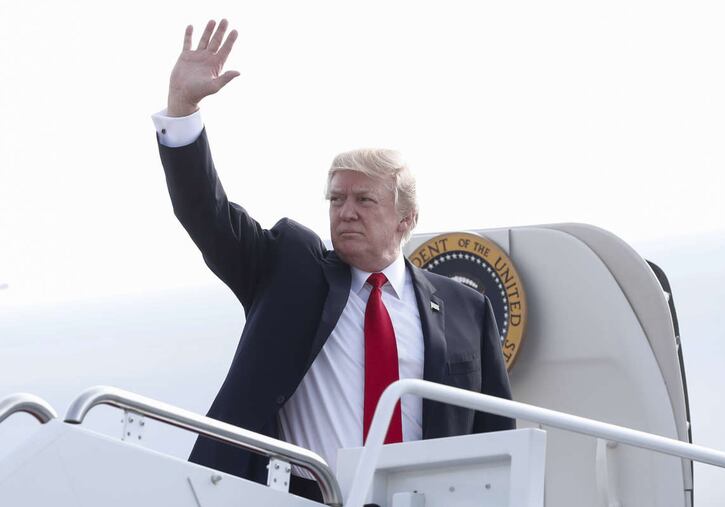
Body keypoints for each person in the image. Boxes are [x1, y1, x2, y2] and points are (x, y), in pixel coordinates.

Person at [153, 19, 514, 502]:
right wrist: (183, 109)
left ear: (406, 218)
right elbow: (207, 214)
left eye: (364, 200)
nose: (345, 212)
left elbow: (496, 435)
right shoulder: (288, 269)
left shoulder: (466, 309)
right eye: (336, 199)